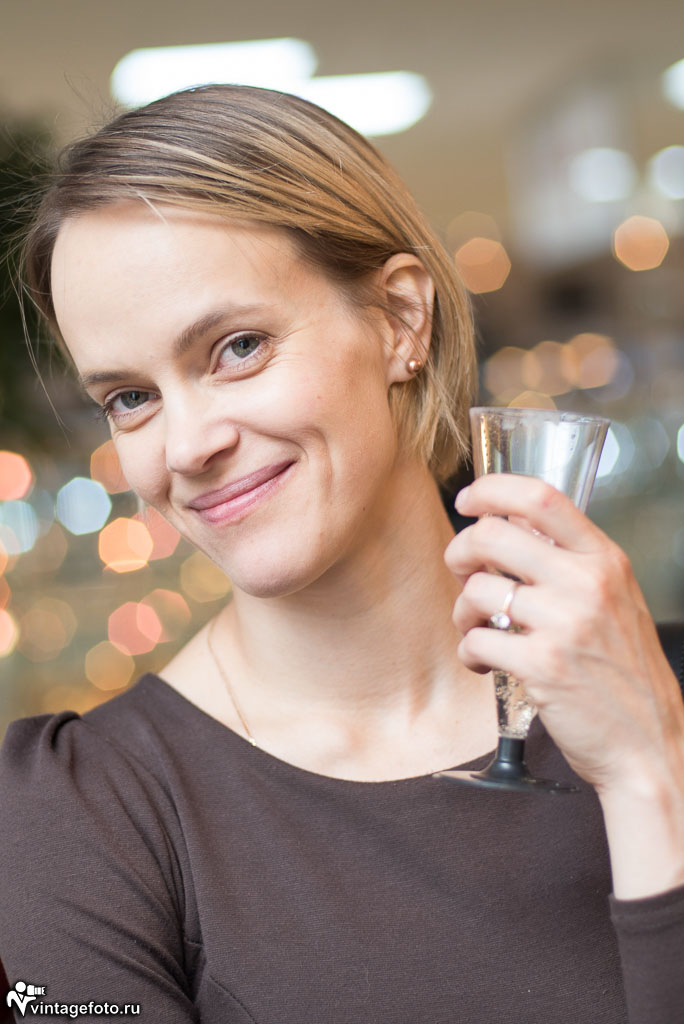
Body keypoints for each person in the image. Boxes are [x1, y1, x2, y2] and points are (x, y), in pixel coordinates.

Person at [0, 84, 683, 1024]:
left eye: (237, 347)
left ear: (400, 318)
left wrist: (650, 776)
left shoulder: (661, 697)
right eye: (129, 398)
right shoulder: (84, 815)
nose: (185, 447)